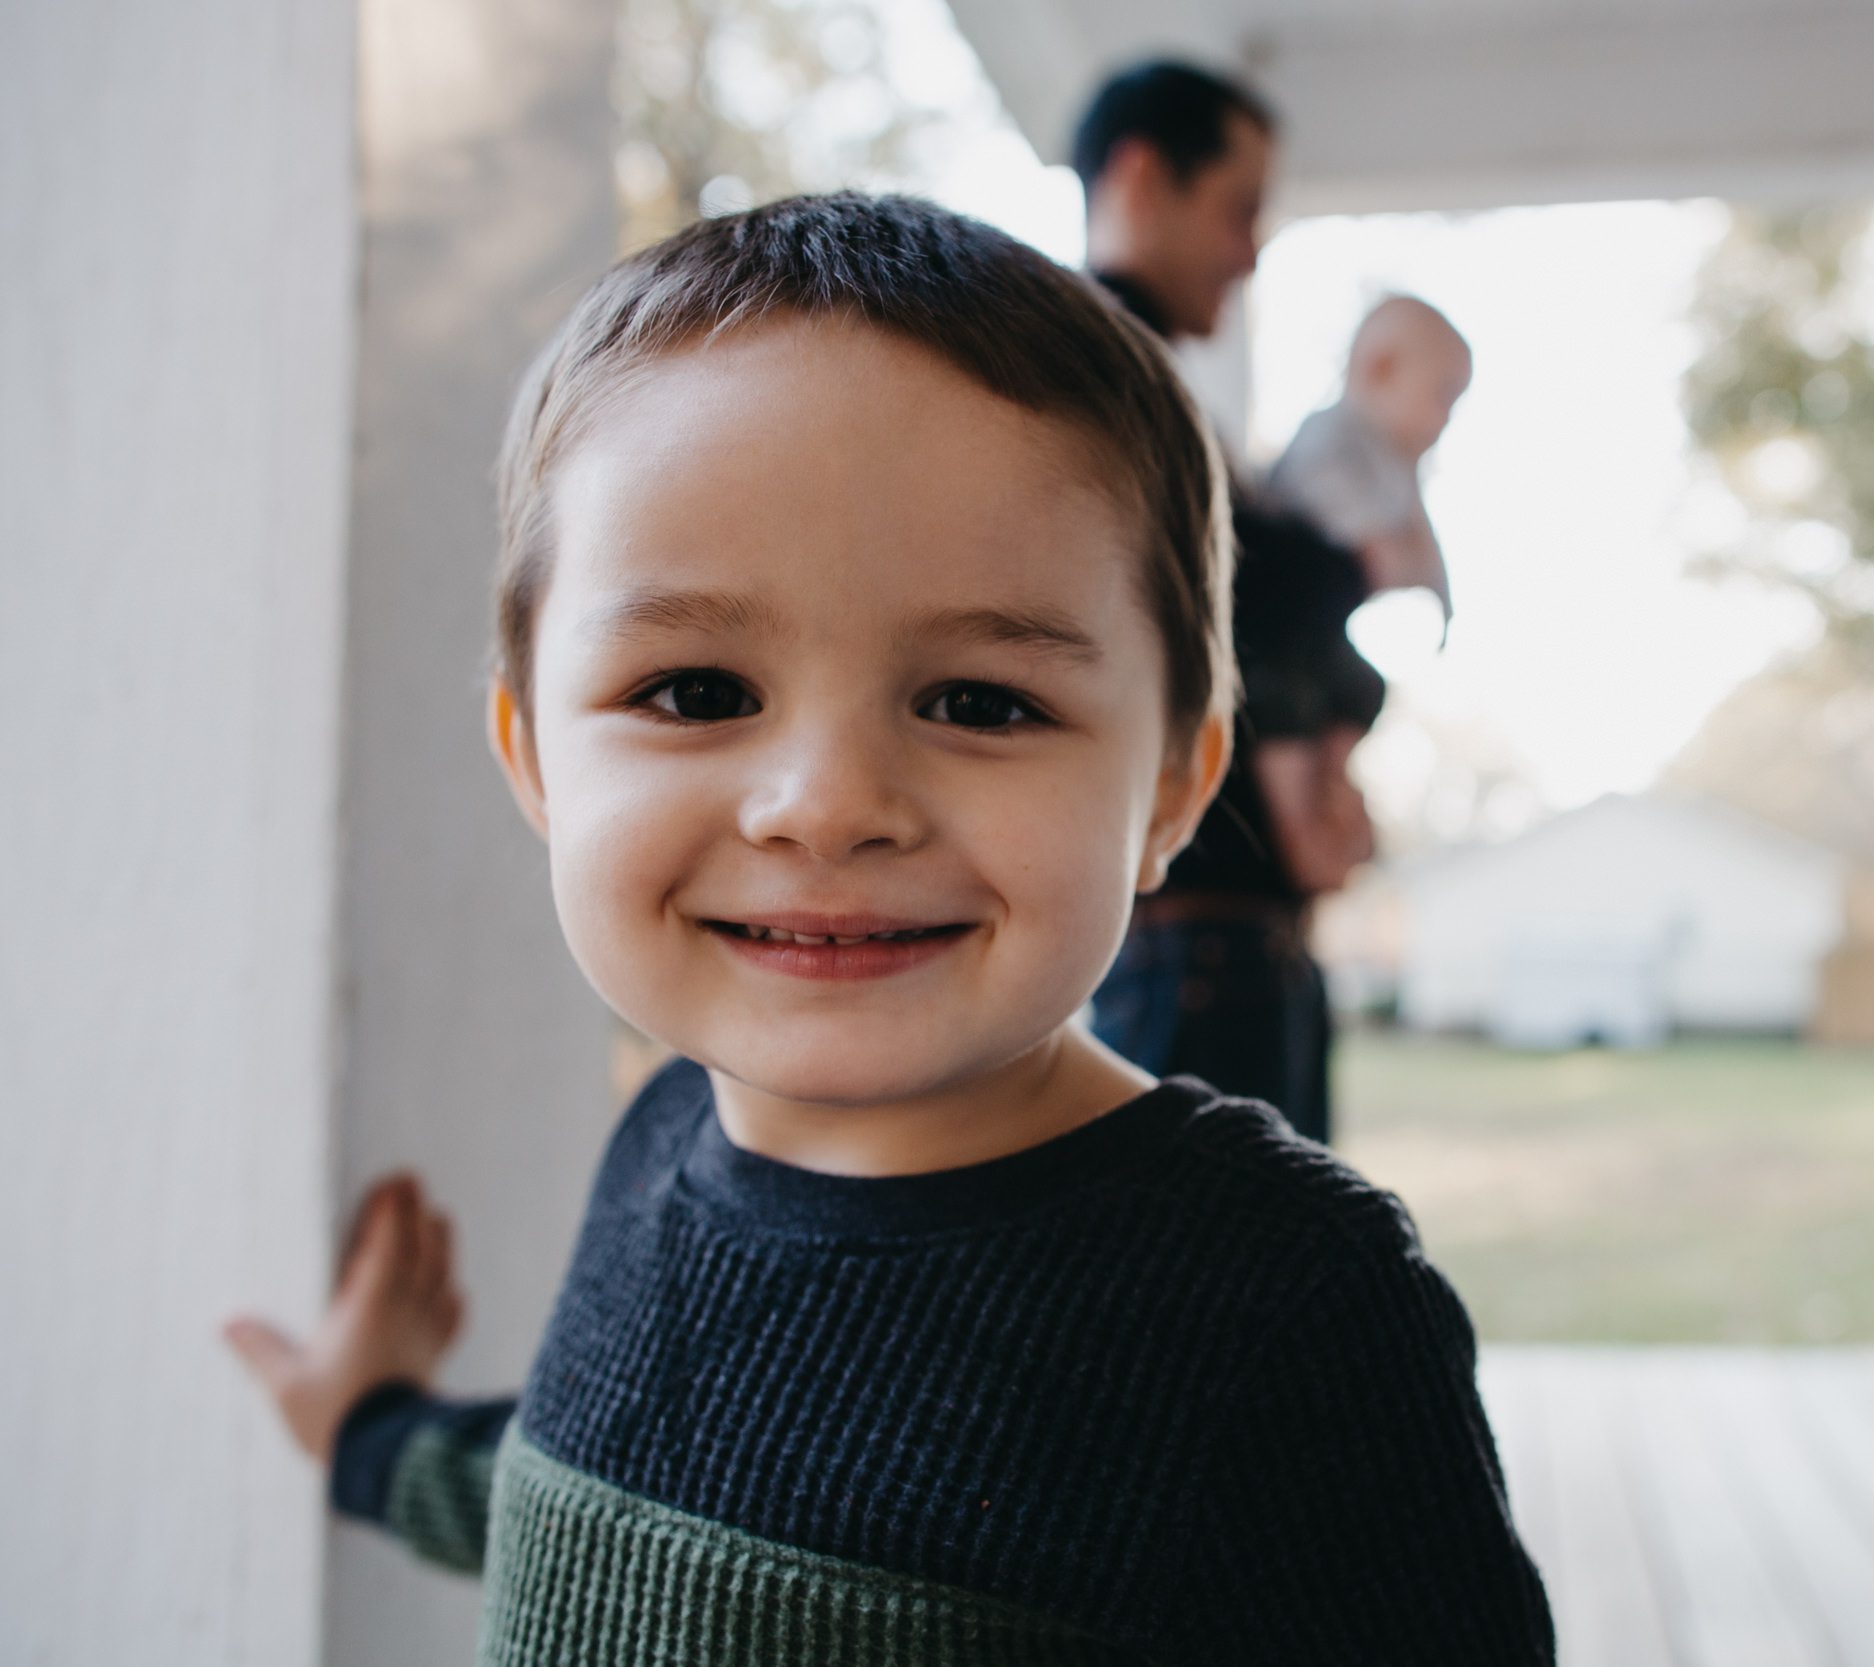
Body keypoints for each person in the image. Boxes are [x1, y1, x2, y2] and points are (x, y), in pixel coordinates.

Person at [220, 194, 1553, 1664]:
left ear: (1173, 780)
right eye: (697, 690)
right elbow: (595, 1505)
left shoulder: (1282, 1302)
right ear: (534, 753)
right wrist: (362, 1428)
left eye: (982, 700)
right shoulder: (659, 1150)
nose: (828, 805)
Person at [1074, 60, 1385, 1144]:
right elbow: (1269, 600)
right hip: (1195, 946)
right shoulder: (1092, 376)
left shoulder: (1135, 380)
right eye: (1238, 209)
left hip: (1211, 948)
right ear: (1143, 175)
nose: (1251, 253)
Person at [1269, 294, 1473, 623]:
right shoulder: (1333, 430)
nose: (1446, 419)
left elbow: (1425, 545)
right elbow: (1316, 489)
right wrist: (1378, 545)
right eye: (1444, 396)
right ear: (1382, 369)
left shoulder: (1405, 467)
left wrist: (1445, 606)